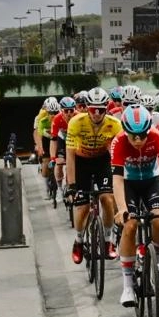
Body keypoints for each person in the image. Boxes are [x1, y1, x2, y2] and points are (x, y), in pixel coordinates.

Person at [109, 105, 159, 307]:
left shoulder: (157, 137)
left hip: (152, 180)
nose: (138, 140)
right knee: (130, 225)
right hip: (129, 183)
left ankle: (155, 257)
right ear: (125, 131)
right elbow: (117, 180)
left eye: (142, 135)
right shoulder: (118, 142)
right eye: (133, 136)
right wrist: (121, 209)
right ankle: (128, 284)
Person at [65, 87, 123, 265]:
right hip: (81, 162)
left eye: (101, 110)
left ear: (107, 108)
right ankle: (79, 241)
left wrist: (119, 178)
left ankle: (107, 241)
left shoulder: (114, 124)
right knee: (81, 207)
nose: (97, 113)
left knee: (107, 198)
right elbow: (70, 155)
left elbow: (116, 155)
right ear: (87, 108)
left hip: (102, 161)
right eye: (92, 109)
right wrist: (72, 185)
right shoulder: (76, 122)